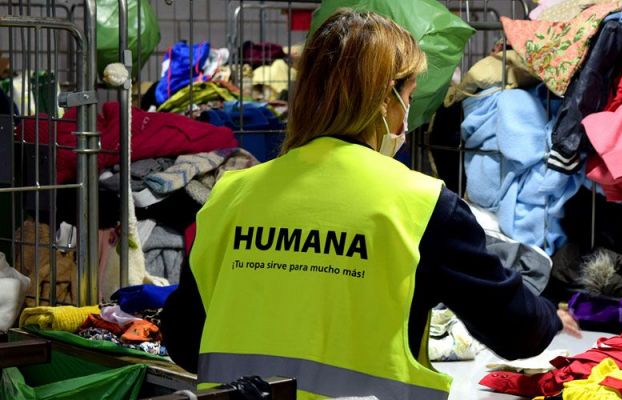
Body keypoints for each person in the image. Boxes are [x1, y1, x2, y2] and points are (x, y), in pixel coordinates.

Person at [161, 9, 580, 400]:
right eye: (409, 96)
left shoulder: (230, 196)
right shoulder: (422, 205)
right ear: (385, 101)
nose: (407, 115)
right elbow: (515, 332)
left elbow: (182, 340)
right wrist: (548, 315)